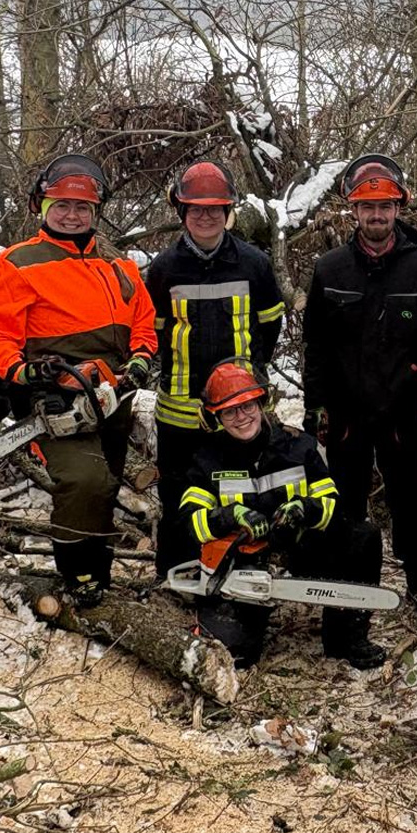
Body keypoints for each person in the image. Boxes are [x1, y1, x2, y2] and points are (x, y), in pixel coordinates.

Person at [0, 154, 156, 607]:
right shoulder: (18, 263)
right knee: (84, 480)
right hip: (53, 397)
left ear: (95, 213)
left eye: (82, 209)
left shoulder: (118, 264)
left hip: (113, 395)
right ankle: (78, 575)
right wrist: (22, 372)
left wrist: (141, 357)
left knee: (110, 481)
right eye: (62, 206)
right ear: (43, 206)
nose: (71, 216)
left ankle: (100, 569)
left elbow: (145, 321)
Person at [302, 154, 417, 610]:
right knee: (346, 504)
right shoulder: (330, 269)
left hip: (404, 409)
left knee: (409, 501)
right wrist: (317, 404)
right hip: (347, 409)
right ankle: (350, 586)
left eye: (385, 206)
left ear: (400, 208)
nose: (377, 215)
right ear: (353, 211)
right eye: (368, 207)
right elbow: (316, 346)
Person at [178, 361, 387, 670]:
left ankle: (346, 636)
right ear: (217, 417)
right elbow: (189, 520)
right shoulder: (208, 459)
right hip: (240, 565)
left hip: (297, 547)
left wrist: (305, 509)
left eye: (247, 406)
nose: (241, 417)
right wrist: (230, 515)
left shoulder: (297, 446)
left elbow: (330, 501)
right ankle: (239, 624)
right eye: (230, 411)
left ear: (261, 403)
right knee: (235, 655)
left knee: (361, 537)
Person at [145, 160, 286, 575]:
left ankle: (238, 570)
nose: (205, 217)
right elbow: (152, 334)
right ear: (182, 213)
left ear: (228, 212)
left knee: (240, 491)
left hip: (240, 405)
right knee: (178, 493)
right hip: (181, 407)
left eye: (214, 209)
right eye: (196, 209)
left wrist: (250, 376)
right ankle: (174, 572)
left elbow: (270, 325)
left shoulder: (254, 263)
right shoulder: (165, 268)